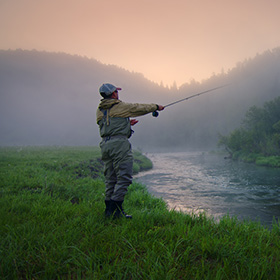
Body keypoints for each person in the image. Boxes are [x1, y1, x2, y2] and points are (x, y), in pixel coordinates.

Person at [96, 83, 164, 219]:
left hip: (105, 144)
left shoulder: (100, 110)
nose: (118, 93)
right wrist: (156, 107)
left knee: (111, 178)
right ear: (113, 94)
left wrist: (126, 123)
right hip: (119, 145)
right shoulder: (120, 106)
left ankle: (108, 211)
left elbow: (108, 125)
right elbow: (138, 108)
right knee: (124, 177)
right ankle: (116, 211)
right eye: (116, 91)